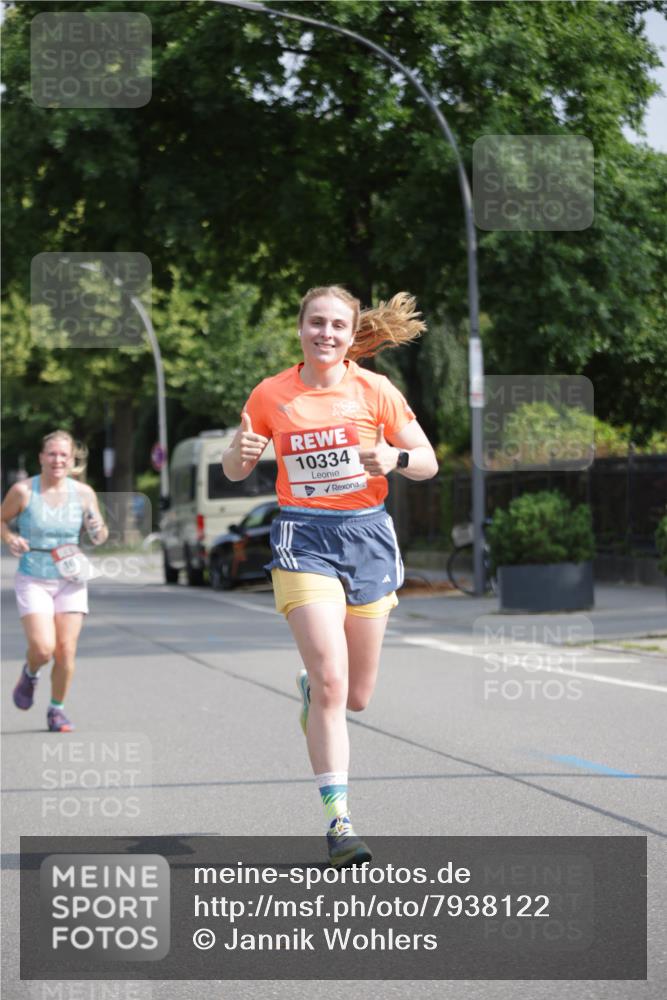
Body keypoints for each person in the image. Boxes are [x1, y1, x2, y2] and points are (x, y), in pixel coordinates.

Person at [223, 286, 438, 867]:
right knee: (332, 681)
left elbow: (427, 460)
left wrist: (393, 458)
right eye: (316, 323)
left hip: (367, 538)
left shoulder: (375, 390)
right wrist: (238, 451)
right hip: (303, 539)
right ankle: (339, 821)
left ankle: (311, 691)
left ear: (350, 334)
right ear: (300, 329)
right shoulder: (272, 393)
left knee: (358, 697)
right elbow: (237, 464)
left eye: (337, 326)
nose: (326, 334)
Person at [1, 429, 108, 732]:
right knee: (43, 648)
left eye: (64, 454)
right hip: (34, 577)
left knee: (65, 649)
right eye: (52, 454)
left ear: (72, 459)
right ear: (41, 458)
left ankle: (56, 710)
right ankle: (30, 672)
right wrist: (10, 537)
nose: (58, 459)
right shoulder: (24, 491)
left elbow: (100, 535)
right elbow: (1, 520)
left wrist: (96, 526)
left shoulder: (84, 493)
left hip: (71, 579)